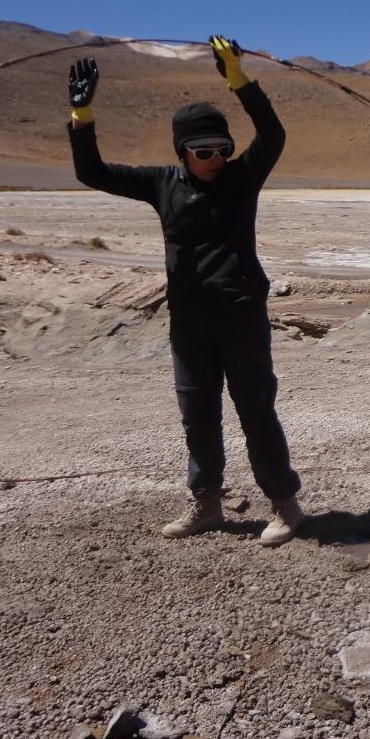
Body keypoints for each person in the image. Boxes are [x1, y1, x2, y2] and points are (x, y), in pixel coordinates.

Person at [67, 36, 305, 546]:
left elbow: (273, 133)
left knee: (255, 409)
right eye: (204, 151)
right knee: (197, 413)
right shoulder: (161, 184)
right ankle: (206, 506)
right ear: (183, 152)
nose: (217, 158)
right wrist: (81, 115)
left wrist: (238, 79)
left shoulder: (242, 178)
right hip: (190, 321)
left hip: (241, 314)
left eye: (223, 148)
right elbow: (91, 172)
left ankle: (286, 506)